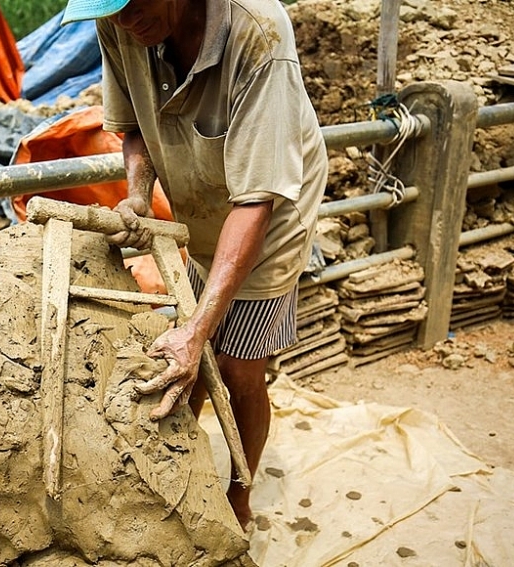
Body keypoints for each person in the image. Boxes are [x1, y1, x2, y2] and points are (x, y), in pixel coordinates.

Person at [60, 0, 328, 529]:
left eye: (132, 4)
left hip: (269, 214)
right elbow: (134, 125)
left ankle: (238, 497)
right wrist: (138, 194)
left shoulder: (258, 35)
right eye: (112, 11)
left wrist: (198, 330)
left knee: (238, 368)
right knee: (194, 353)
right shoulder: (117, 22)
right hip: (203, 206)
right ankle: (184, 467)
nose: (124, 20)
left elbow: (255, 203)